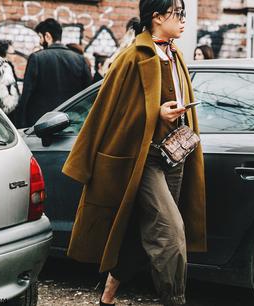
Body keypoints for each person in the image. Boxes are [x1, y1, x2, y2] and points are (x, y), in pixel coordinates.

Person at [61, 0, 206, 305]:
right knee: (170, 233)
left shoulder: (175, 54)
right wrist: (156, 114)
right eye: (177, 14)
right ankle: (176, 299)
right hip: (144, 161)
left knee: (141, 233)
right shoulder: (132, 57)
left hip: (175, 157)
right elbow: (110, 113)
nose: (183, 20)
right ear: (156, 17)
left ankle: (107, 297)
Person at [18, 18, 92, 127]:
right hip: (71, 125)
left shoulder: (36, 58)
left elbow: (26, 96)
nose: (39, 41)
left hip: (41, 127)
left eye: (40, 37)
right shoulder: (79, 59)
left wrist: (21, 125)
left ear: (47, 36)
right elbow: (88, 94)